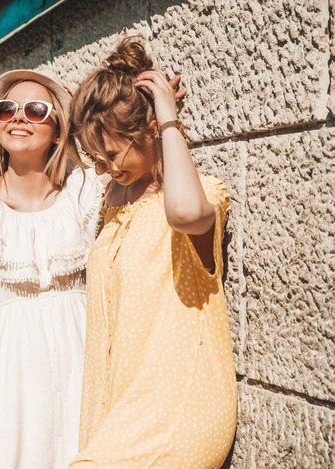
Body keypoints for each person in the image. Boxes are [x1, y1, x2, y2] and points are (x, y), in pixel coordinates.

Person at [68, 37, 237, 468]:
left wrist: (166, 119)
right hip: (118, 411)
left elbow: (184, 212)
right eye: (95, 159)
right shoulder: (114, 209)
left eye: (110, 156)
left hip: (176, 407)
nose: (104, 169)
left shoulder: (200, 197)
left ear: (145, 132)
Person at [0, 69, 105, 468]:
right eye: (6, 109)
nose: (18, 117)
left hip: (83, 366)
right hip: (14, 374)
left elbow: (125, 155)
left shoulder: (85, 193)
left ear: (58, 128)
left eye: (35, 110)